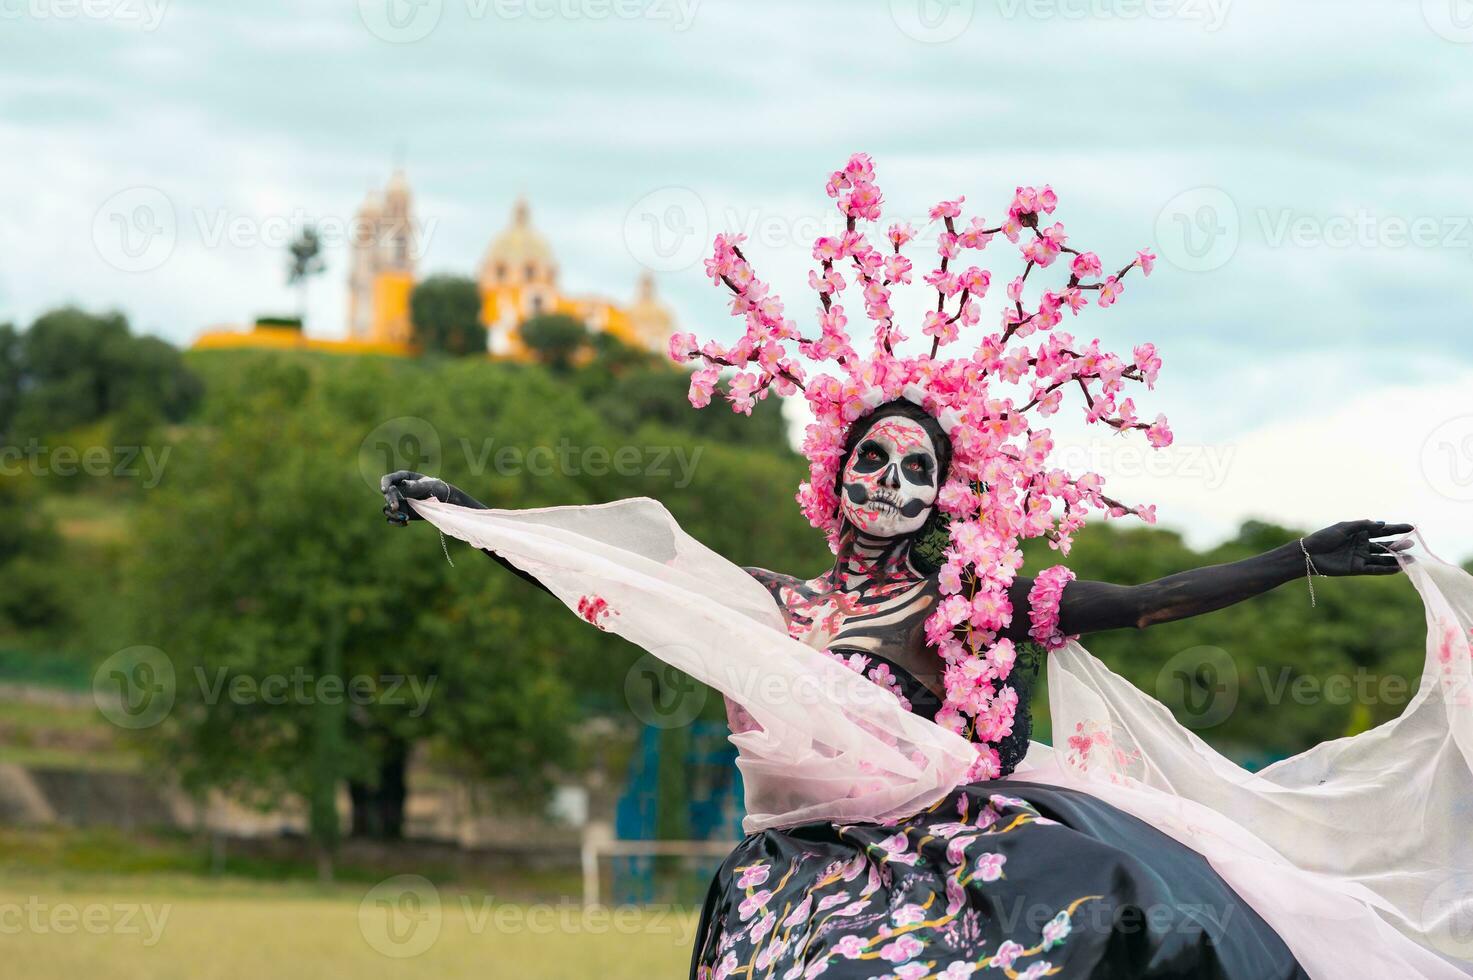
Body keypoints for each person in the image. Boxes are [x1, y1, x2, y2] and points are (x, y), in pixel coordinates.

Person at [380, 156, 1473, 977]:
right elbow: (626, 595)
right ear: (835, 472)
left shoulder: (972, 603)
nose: (892, 482)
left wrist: (1297, 558)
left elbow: (1146, 601)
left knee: (1114, 905)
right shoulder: (776, 601)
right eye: (875, 459)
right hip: (795, 872)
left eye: (917, 469)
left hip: (944, 854)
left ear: (940, 495)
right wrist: (474, 522)